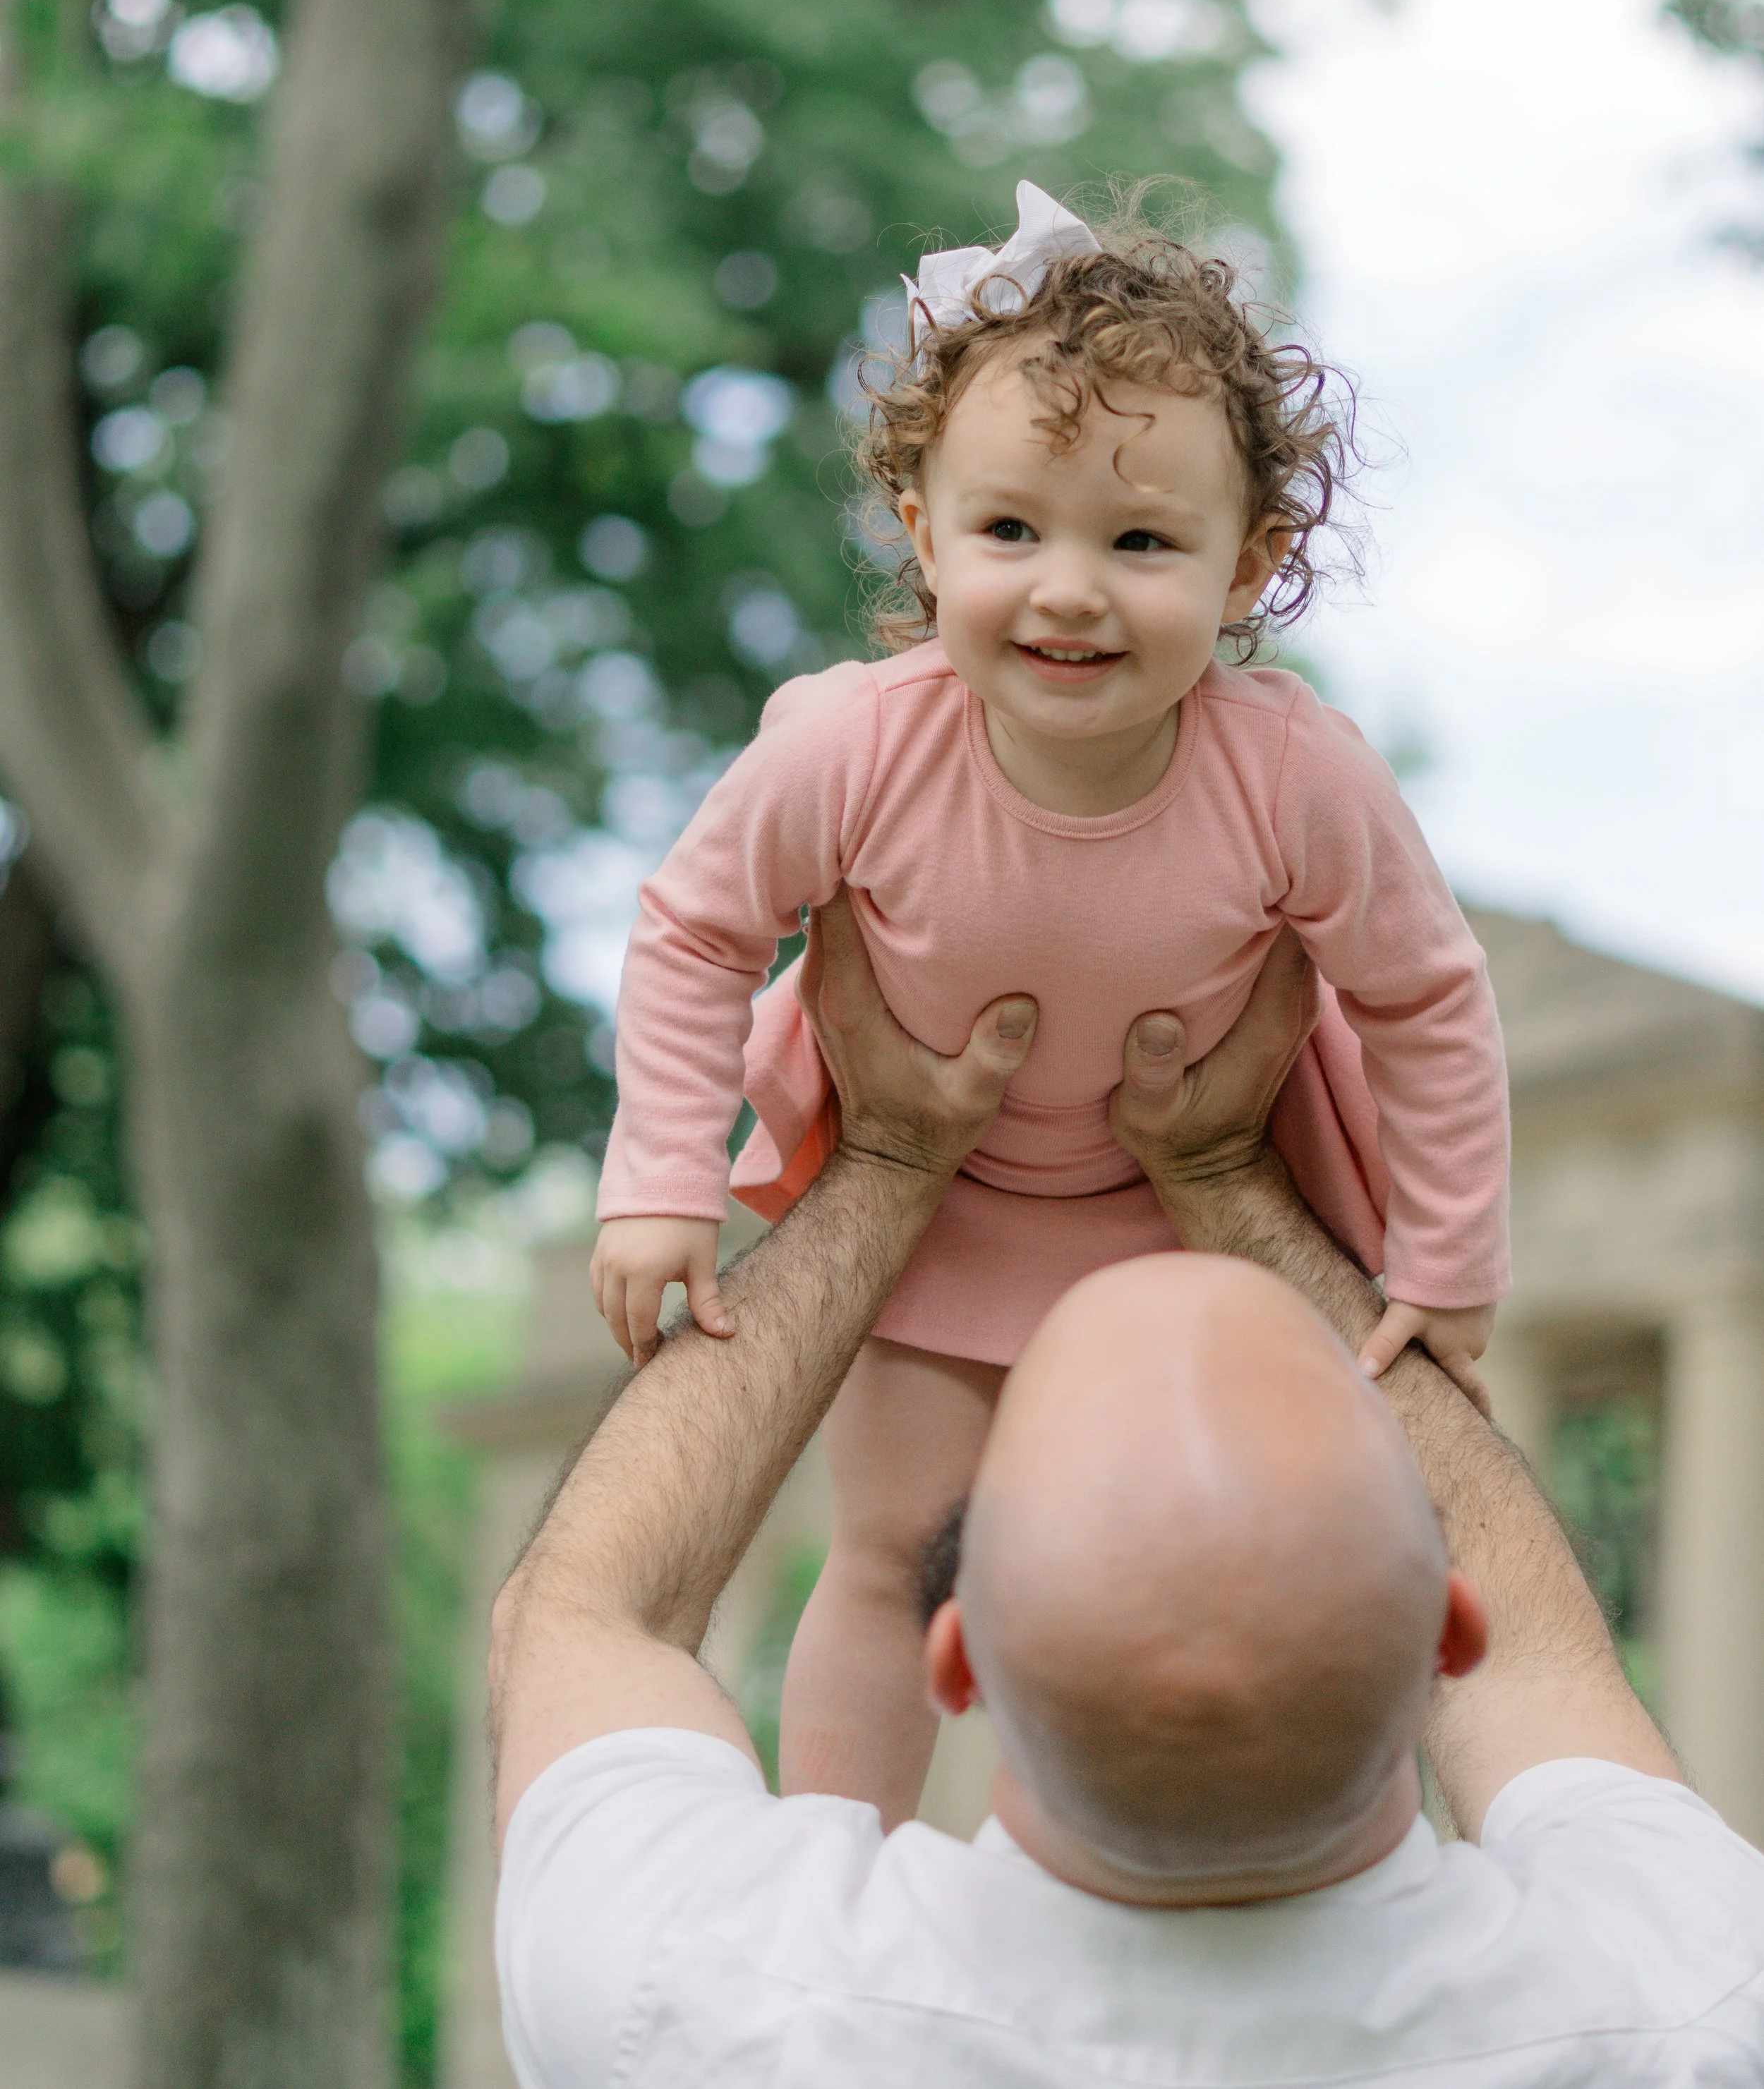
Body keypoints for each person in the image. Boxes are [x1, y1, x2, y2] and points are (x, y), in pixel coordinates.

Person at [490, 898, 1764, 2088]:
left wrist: (886, 1157)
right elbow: (1547, 1666)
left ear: (959, 1656)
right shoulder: (1689, 2004)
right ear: (1450, 1628)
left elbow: (582, 1612)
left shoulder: (709, 1999)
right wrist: (1230, 1186)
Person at [589, 180, 1510, 1822]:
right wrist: (661, 1177)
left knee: (1235, 1572)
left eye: (1140, 541)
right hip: (938, 1228)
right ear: (922, 533)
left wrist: (1442, 1259)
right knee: (886, 1557)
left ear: (1252, 565)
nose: (1069, 589)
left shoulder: (1292, 776)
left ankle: (1234, 1888)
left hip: (1189, 1239)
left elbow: (1423, 1001)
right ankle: (836, 1875)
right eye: (1011, 530)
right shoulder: (849, 748)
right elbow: (693, 934)